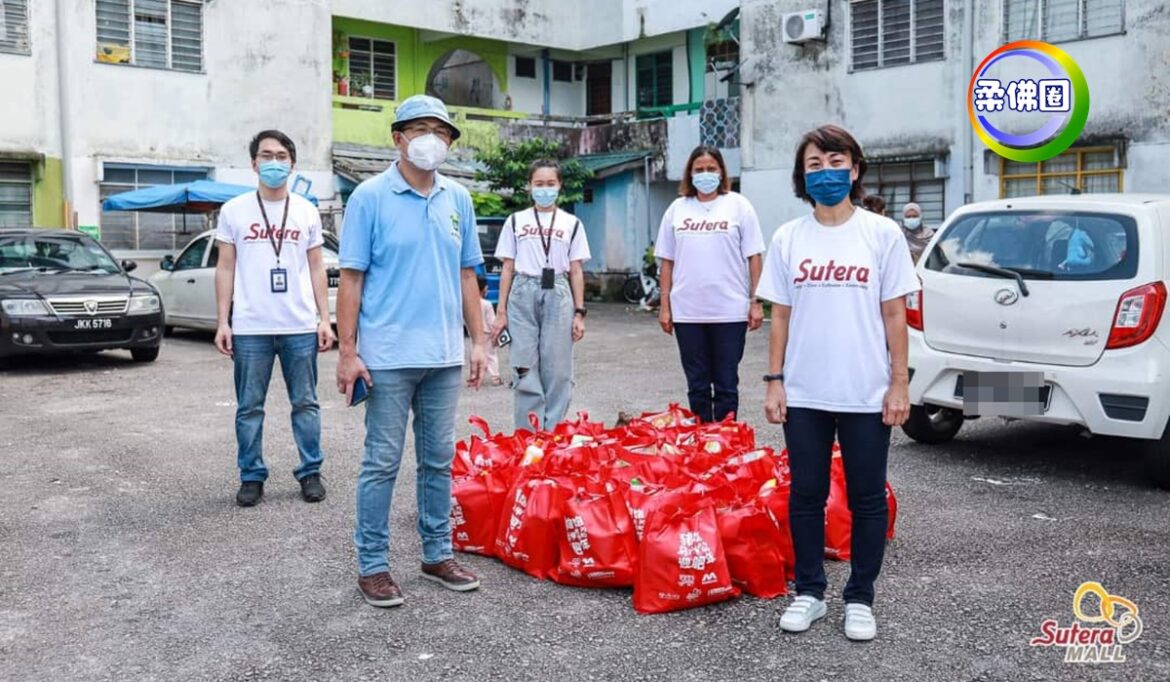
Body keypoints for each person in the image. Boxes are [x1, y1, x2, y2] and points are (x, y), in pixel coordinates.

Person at [757, 125, 919, 642]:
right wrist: (774, 382)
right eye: (814, 165)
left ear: (854, 168)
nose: (825, 172)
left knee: (867, 498)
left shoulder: (882, 234)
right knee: (806, 494)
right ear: (801, 176)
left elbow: (896, 314)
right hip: (804, 392)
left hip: (866, 392)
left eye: (835, 162)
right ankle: (809, 592)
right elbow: (779, 317)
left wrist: (899, 384)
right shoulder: (788, 238)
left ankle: (860, 598)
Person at [336, 95, 487, 608]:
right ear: (397, 137)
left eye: (441, 131)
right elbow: (351, 277)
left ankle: (437, 553)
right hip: (387, 356)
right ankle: (373, 565)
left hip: (443, 355)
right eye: (420, 128)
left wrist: (480, 342)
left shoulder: (457, 199)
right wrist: (347, 352)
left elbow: (468, 275)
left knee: (439, 460)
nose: (431, 139)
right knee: (382, 461)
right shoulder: (369, 197)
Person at [213, 130, 334, 508]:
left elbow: (317, 267)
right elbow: (225, 267)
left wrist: (324, 319)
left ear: (292, 163)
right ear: (253, 164)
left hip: (299, 326)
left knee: (306, 403)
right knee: (249, 407)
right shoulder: (234, 210)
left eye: (281, 156)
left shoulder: (306, 210)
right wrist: (223, 321)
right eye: (266, 156)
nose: (274, 163)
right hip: (251, 328)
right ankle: (251, 476)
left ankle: (310, 471)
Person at [655, 145, 766, 423]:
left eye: (711, 169)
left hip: (729, 312)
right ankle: (701, 444)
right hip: (688, 313)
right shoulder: (677, 209)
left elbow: (754, 256)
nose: (705, 174)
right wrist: (665, 307)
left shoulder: (739, 206)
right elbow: (667, 262)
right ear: (690, 174)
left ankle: (726, 442)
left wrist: (756, 302)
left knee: (727, 383)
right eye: (699, 170)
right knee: (698, 385)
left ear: (722, 172)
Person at [490, 159, 591, 431]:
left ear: (559, 186)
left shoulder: (572, 223)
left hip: (558, 291)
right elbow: (507, 267)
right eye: (539, 184)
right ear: (529, 186)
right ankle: (528, 433)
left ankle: (553, 432)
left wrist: (579, 313)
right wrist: (501, 312)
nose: (544, 189)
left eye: (550, 184)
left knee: (557, 367)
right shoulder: (515, 221)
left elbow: (576, 269)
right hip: (522, 291)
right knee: (523, 364)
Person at [477, 274, 503, 386]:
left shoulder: (470, 303)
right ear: (485, 289)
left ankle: (477, 377)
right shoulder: (487, 304)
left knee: (478, 354)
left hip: (475, 333)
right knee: (491, 355)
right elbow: (492, 321)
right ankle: (495, 377)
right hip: (487, 333)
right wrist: (496, 333)